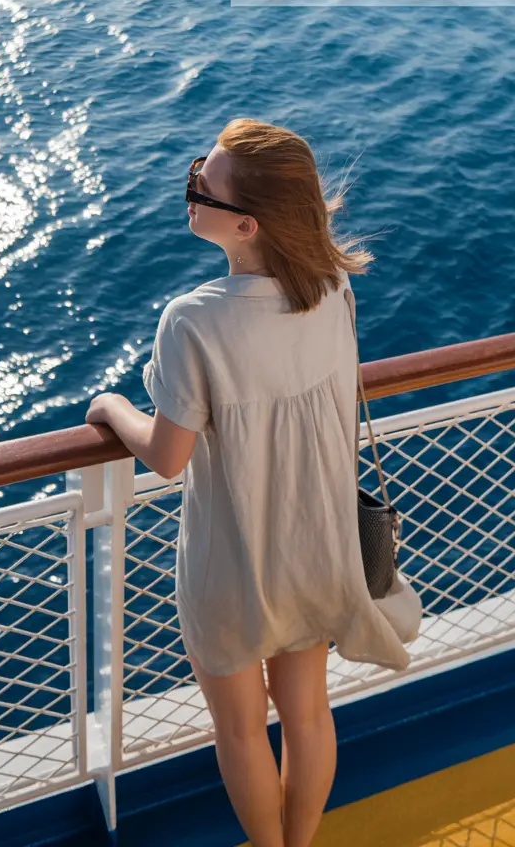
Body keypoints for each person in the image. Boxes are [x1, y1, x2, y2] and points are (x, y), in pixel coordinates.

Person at [85, 117, 419, 847]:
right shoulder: (332, 287)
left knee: (240, 730)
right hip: (314, 548)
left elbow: (167, 457)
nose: (190, 189)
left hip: (230, 568)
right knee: (307, 714)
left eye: (200, 183)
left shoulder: (192, 321)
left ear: (245, 226)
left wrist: (113, 407)